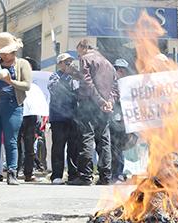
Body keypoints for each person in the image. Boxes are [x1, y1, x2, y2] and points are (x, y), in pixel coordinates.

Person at [0, 32, 32, 185]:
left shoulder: (22, 64)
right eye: (0, 51)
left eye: (5, 51)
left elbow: (27, 85)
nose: (2, 54)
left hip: (12, 105)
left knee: (11, 141)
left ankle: (12, 173)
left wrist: (10, 81)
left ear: (13, 50)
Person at [69, 39, 117, 185]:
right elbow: (115, 86)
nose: (78, 55)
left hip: (89, 104)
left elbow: (88, 83)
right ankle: (105, 177)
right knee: (103, 140)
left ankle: (85, 176)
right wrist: (109, 102)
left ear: (83, 47)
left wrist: (100, 101)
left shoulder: (85, 59)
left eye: (78, 50)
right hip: (104, 106)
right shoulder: (108, 62)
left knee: (87, 137)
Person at [47, 52, 79, 184]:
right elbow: (54, 89)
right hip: (58, 117)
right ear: (59, 64)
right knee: (58, 147)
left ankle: (73, 175)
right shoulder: (54, 76)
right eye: (66, 62)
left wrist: (74, 75)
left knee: (74, 148)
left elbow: (78, 92)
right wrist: (66, 75)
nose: (69, 64)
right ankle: (57, 175)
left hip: (74, 117)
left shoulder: (76, 77)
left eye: (70, 62)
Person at [17, 57, 48, 182]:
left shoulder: (34, 87)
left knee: (29, 146)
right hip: (17, 115)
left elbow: (40, 103)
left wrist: (41, 118)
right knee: (15, 144)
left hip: (31, 118)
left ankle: (28, 173)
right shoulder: (15, 82)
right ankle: (14, 171)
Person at [111, 58, 130, 182]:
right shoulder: (112, 84)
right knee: (114, 147)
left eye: (121, 70)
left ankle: (118, 172)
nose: (120, 71)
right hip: (113, 119)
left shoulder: (127, 84)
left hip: (122, 120)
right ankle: (115, 173)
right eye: (118, 69)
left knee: (119, 147)